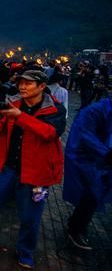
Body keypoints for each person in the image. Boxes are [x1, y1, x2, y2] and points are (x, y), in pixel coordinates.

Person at [0, 70, 66, 269]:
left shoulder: (55, 109)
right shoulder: (13, 103)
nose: (22, 87)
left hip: (38, 176)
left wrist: (20, 117)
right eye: (20, 83)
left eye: (28, 83)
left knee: (32, 214)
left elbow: (49, 133)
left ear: (42, 86)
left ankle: (25, 251)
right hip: (5, 169)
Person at [63, 96, 112, 251]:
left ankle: (76, 225)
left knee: (93, 196)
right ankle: (75, 228)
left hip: (99, 160)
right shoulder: (96, 110)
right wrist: (106, 153)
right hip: (86, 158)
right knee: (91, 195)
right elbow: (85, 134)